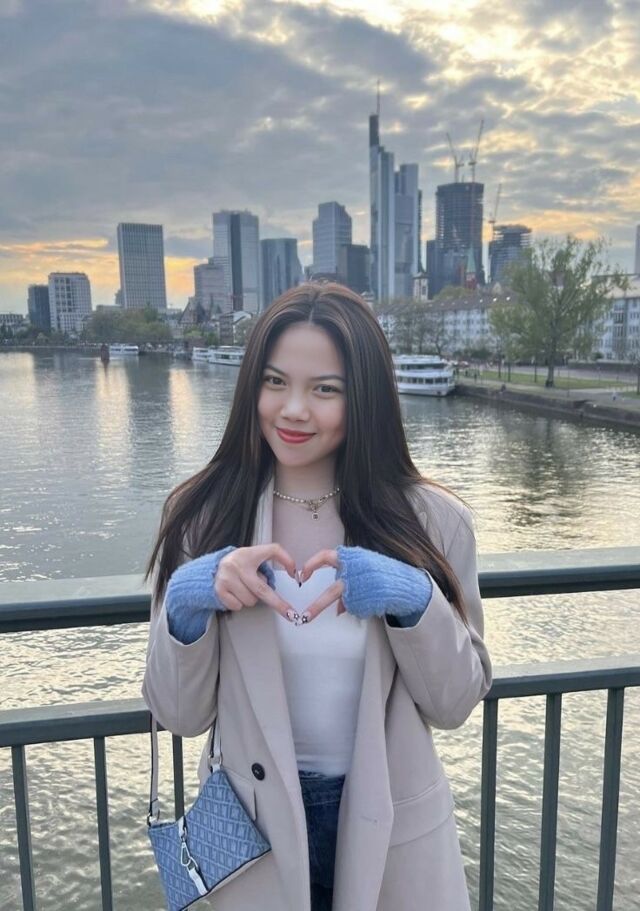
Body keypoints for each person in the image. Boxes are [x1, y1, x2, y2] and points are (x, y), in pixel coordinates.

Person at [142, 282, 492, 911]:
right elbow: (179, 715)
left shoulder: (432, 522)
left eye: (326, 389)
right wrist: (188, 603)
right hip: (252, 828)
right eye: (275, 382)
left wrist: (415, 599)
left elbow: (456, 702)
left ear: (366, 399)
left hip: (391, 821)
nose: (293, 409)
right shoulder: (201, 515)